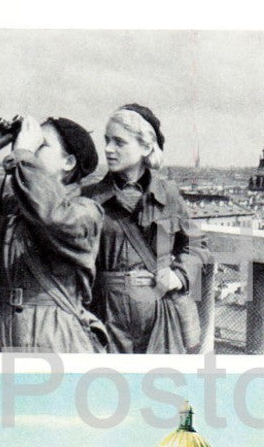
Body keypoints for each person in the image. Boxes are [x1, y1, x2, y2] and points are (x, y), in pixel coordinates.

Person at [84, 104, 211, 353]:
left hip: (160, 315)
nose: (108, 149)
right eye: (106, 140)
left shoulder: (168, 195)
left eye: (119, 142)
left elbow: (197, 245)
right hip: (106, 315)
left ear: (145, 146)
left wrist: (179, 275)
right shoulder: (89, 199)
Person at [0, 114, 107, 352]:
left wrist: (22, 156)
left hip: (53, 336)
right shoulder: (9, 207)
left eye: (40, 145)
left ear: (69, 162)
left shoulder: (86, 212)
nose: (29, 148)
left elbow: (51, 216)